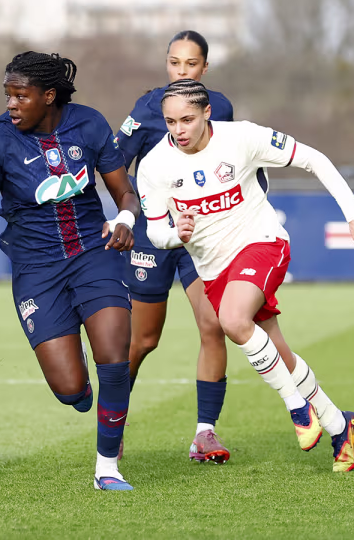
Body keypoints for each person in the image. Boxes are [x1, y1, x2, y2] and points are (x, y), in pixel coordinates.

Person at [135, 79, 354, 472]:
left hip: (262, 243)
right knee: (278, 352)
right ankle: (339, 426)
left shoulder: (243, 138)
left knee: (232, 320)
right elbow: (154, 230)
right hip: (214, 270)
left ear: (207, 113)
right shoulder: (154, 166)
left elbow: (314, 159)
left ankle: (297, 409)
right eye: (170, 122)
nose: (178, 130)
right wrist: (172, 233)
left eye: (187, 119)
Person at [0, 52, 140, 490]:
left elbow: (125, 193)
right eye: (8, 95)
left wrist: (126, 221)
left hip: (94, 252)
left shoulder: (88, 125)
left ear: (48, 96)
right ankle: (89, 391)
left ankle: (107, 468)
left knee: (113, 354)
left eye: (21, 95)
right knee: (71, 390)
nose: (11, 104)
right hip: (36, 268)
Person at [116, 30, 236, 464]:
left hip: (199, 236)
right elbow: (113, 163)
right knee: (144, 339)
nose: (181, 71)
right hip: (152, 236)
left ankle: (205, 433)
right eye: (174, 63)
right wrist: (127, 216)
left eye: (190, 64)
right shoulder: (147, 108)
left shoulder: (219, 109)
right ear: (166, 63)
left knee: (214, 324)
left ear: (205, 68)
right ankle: (114, 420)